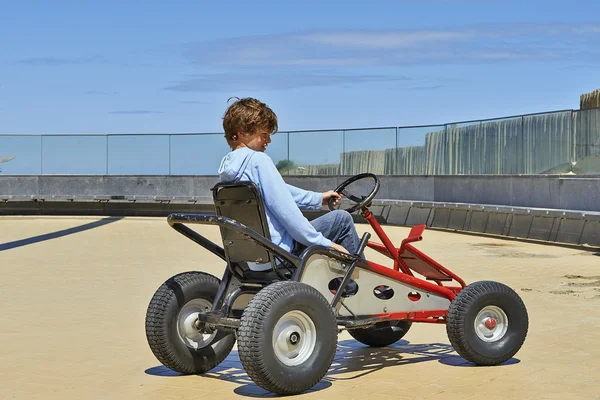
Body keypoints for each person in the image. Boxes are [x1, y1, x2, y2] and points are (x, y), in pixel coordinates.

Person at [217, 97, 364, 267]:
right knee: (342, 219)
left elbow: (279, 191)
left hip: (252, 257)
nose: (268, 141)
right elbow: (288, 213)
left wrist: (317, 199)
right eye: (264, 135)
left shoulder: (228, 170)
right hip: (280, 252)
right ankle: (355, 287)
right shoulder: (258, 160)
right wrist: (327, 244)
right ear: (242, 133)